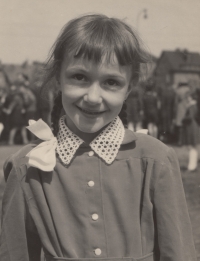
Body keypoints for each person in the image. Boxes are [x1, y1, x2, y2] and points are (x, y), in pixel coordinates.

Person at [0, 14, 196, 261]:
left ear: (130, 86)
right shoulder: (27, 167)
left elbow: (179, 254)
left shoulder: (156, 160)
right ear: (58, 76)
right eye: (79, 77)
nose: (93, 97)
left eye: (111, 82)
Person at [182, 91, 200, 171]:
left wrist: (183, 119)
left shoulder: (191, 106)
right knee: (194, 146)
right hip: (195, 126)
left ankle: (192, 166)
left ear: (191, 97)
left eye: (188, 97)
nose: (187, 99)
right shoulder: (195, 105)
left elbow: (189, 117)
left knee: (191, 146)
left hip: (191, 127)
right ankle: (193, 165)